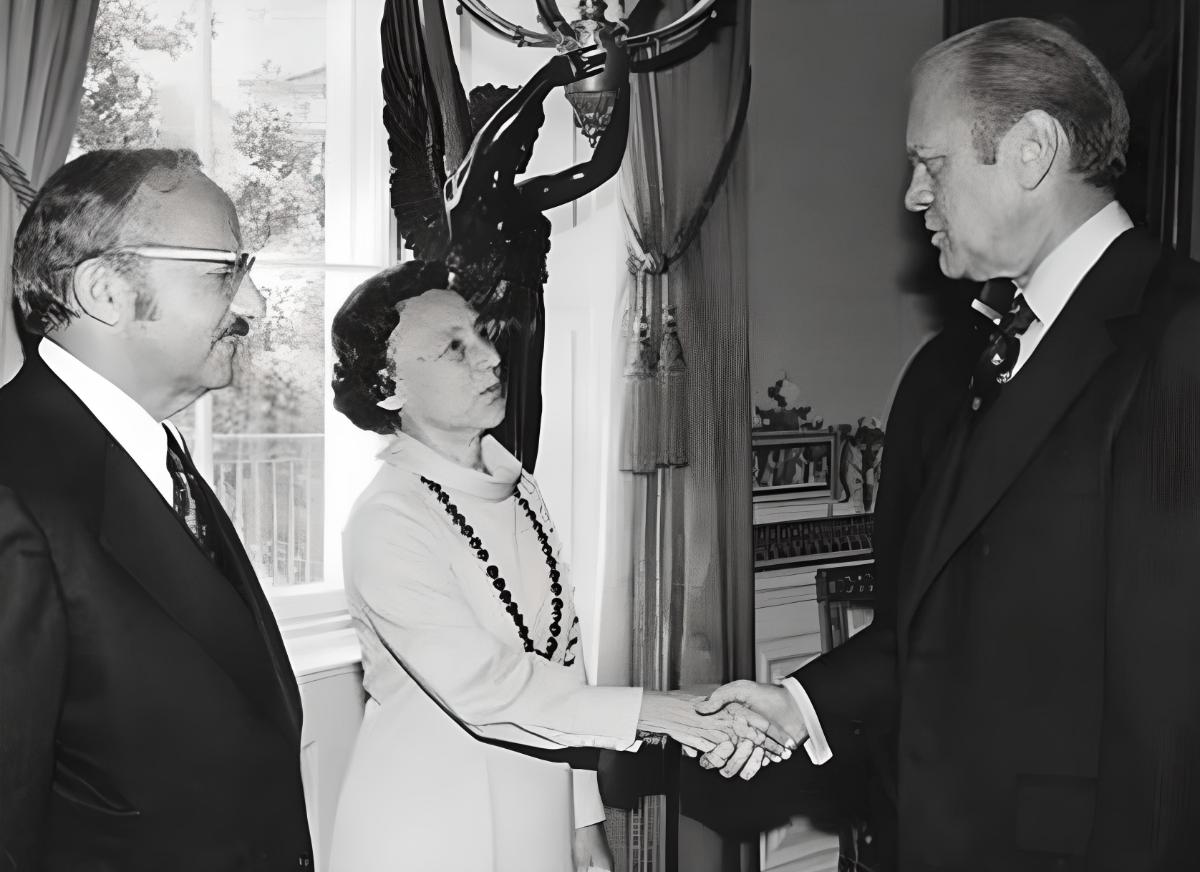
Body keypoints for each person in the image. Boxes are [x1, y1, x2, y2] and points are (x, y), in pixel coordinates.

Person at [699, 17, 1200, 870]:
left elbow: (1171, 707)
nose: (912, 196)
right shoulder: (973, 355)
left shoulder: (1178, 337)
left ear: (1032, 151)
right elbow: (943, 618)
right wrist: (801, 705)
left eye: (932, 164)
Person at [325, 262, 789, 872]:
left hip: (536, 817)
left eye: (481, 335)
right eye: (454, 349)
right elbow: (487, 686)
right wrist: (666, 712)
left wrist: (583, 820)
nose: (490, 359)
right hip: (426, 828)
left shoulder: (520, 488)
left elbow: (562, 663)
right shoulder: (387, 519)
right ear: (389, 387)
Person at [0, 149, 312, 870]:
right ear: (106, 290)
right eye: (223, 272)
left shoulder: (155, 461)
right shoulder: (13, 486)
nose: (255, 306)